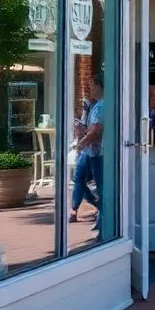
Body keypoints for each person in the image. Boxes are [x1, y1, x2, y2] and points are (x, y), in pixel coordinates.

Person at [69, 74, 104, 233]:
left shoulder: (101, 106)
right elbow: (88, 128)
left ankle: (103, 217)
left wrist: (81, 143)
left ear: (97, 86)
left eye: (91, 85)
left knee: (101, 185)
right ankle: (92, 208)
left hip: (95, 151)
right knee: (79, 177)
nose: (89, 89)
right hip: (89, 151)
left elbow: (95, 131)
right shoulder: (91, 106)